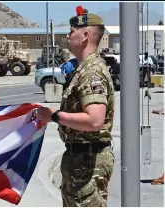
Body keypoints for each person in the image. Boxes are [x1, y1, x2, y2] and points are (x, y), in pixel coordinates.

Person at [37, 7, 115, 207]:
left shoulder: (91, 72)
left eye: (73, 31)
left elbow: (95, 120)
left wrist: (54, 116)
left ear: (86, 35)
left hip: (88, 162)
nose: (68, 34)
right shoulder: (83, 69)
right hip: (79, 158)